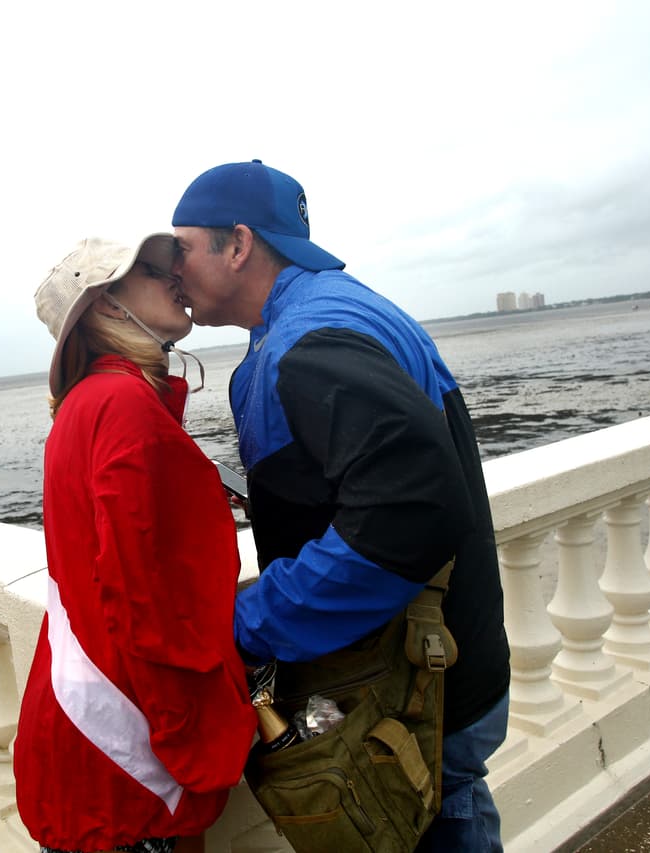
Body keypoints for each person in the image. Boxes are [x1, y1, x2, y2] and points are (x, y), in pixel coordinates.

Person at [171, 161, 511, 851]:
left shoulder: (309, 342)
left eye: (181, 248)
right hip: (447, 662)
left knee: (442, 823)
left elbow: (405, 514)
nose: (171, 270)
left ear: (237, 245)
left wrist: (251, 621)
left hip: (422, 690)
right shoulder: (330, 312)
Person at [16, 235, 256, 853]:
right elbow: (149, 601)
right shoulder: (123, 404)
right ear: (105, 306)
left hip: (88, 715)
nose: (177, 276)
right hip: (124, 740)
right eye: (153, 270)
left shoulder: (89, 400)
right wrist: (195, 738)